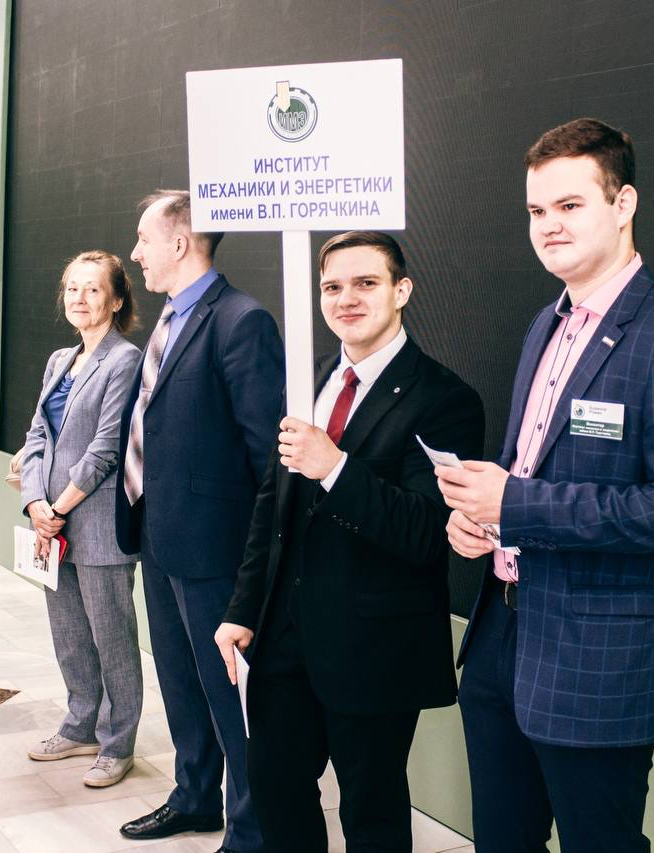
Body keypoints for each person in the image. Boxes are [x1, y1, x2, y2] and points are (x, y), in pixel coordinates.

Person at [437, 118, 654, 853]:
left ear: (623, 203)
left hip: (599, 658)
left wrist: (516, 503)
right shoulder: (547, 324)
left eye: (570, 205)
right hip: (503, 635)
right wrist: (483, 521)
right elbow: (528, 468)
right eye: (537, 210)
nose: (549, 226)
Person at [215, 231, 485, 852]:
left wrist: (334, 467)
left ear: (402, 290)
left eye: (366, 283)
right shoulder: (308, 379)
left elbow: (424, 532)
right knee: (276, 793)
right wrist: (242, 609)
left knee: (372, 813)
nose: (347, 299)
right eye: (333, 287)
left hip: (374, 645)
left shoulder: (445, 399)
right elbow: (272, 508)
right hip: (284, 638)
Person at [115, 190, 283, 852]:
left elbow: (266, 453)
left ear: (180, 242)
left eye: (143, 239)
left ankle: (252, 831)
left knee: (229, 699)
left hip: (215, 549)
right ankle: (194, 797)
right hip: (159, 535)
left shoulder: (242, 320)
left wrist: (256, 561)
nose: (136, 253)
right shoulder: (169, 318)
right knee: (182, 685)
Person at [19, 250, 144, 788]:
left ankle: (118, 744)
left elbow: (107, 447)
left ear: (116, 301)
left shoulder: (124, 359)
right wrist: (34, 503)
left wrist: (57, 507)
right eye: (72, 288)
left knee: (112, 638)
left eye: (93, 289)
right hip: (50, 522)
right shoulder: (59, 360)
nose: (80, 298)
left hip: (95, 522)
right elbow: (36, 436)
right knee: (69, 633)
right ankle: (80, 726)